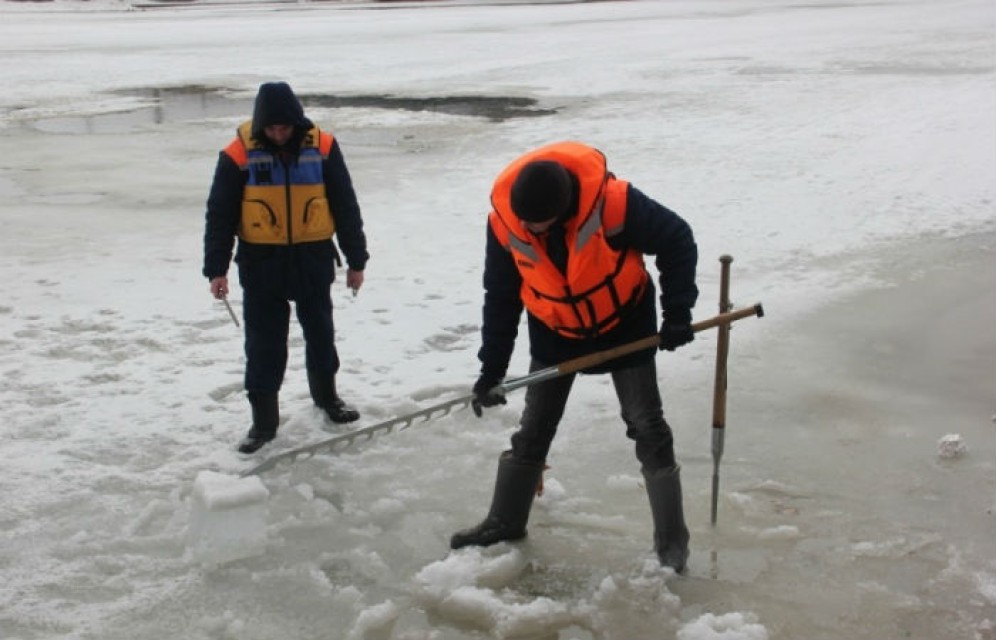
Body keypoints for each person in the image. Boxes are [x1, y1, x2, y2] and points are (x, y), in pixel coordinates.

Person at [451, 141, 698, 573]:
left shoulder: (615, 203)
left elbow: (677, 239)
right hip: (556, 331)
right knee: (534, 427)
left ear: (563, 209)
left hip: (624, 322)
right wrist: (492, 369)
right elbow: (502, 296)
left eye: (539, 223)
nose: (530, 229)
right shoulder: (506, 225)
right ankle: (505, 520)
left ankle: (671, 541)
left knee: (647, 425)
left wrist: (677, 313)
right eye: (525, 222)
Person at [202, 81, 369, 454]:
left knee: (321, 336)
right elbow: (220, 214)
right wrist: (216, 269)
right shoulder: (237, 153)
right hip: (262, 266)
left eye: (285, 127)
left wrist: (356, 260)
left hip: (313, 260)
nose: (279, 134)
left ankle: (327, 398)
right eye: (272, 128)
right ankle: (263, 423)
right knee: (264, 347)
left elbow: (345, 205)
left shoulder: (323, 147)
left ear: (297, 122)